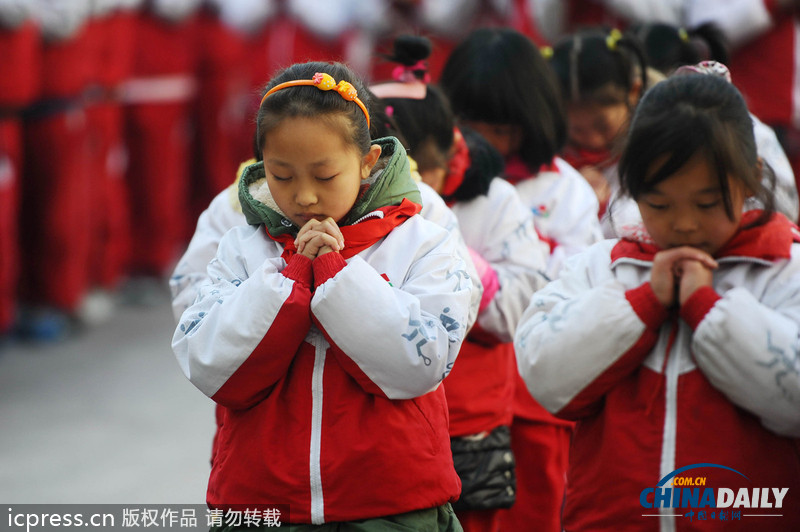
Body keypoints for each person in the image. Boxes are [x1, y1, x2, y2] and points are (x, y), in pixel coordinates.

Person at [172, 61, 473, 529]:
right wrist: (289, 280)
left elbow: (422, 363)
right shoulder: (242, 246)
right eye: (283, 176)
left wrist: (336, 275)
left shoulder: (423, 240)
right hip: (262, 498)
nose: (305, 197)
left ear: (367, 161)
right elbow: (207, 361)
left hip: (391, 501)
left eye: (325, 175)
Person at [515, 73, 800, 531]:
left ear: (752, 179)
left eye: (707, 204)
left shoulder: (784, 267)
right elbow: (544, 375)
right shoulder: (601, 266)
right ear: (631, 186)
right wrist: (642, 304)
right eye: (661, 205)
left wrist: (708, 310)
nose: (684, 225)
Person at [373, 34, 551, 531]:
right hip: (389, 419)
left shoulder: (493, 201)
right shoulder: (355, 208)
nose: (412, 189)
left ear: (451, 148)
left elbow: (523, 310)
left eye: (420, 171)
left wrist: (471, 273)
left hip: (474, 418)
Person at [439, 27, 602, 532]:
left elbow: (577, 296)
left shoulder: (565, 191)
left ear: (531, 120)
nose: (483, 138)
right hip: (453, 401)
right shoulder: (434, 183)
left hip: (534, 403)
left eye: (501, 126)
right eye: (470, 122)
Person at [548, 27, 650, 220]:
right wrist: (572, 191)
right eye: (576, 130)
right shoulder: (550, 156)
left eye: (602, 126)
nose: (593, 141)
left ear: (634, 93)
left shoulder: (655, 147)